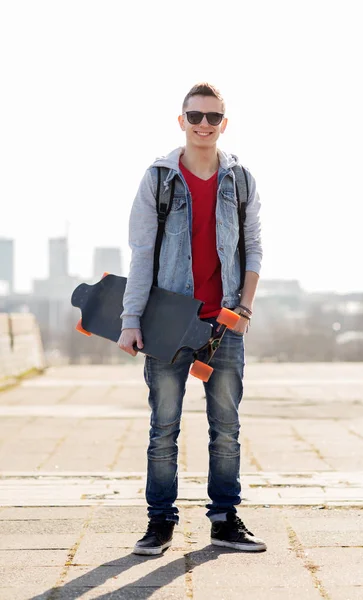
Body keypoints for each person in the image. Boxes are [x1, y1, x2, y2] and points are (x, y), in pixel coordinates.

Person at [118, 82, 265, 554]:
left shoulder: (239, 180)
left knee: (226, 429)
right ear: (181, 120)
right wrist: (129, 318)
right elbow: (142, 254)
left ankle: (224, 520)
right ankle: (159, 522)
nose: (204, 124)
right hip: (168, 324)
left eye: (213, 117)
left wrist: (244, 307)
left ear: (224, 123)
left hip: (223, 324)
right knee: (164, 427)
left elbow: (253, 247)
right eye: (195, 116)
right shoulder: (159, 178)